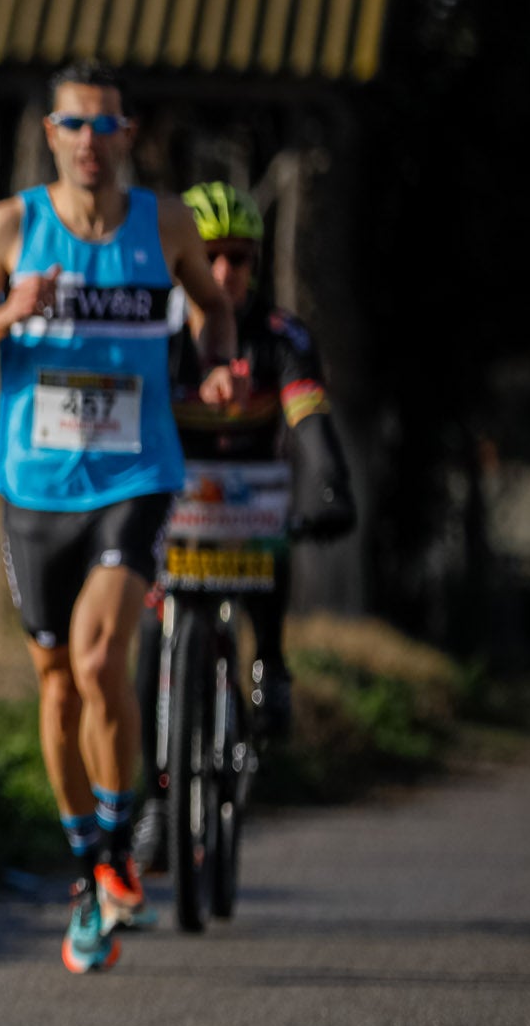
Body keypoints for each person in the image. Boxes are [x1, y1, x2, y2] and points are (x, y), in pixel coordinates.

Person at [0, 65, 241, 974]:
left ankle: (120, 845)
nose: (92, 143)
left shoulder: (166, 223)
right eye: (76, 126)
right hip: (33, 488)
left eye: (108, 128)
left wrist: (215, 363)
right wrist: (7, 311)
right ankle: (93, 863)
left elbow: (215, 310)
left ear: (128, 136)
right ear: (51, 133)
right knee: (58, 684)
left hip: (136, 473)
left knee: (104, 657)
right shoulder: (11, 227)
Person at [131, 181, 359, 871]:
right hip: (172, 505)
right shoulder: (158, 333)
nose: (225, 274)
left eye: (240, 259)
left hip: (248, 506)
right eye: (210, 257)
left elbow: (310, 422)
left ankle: (273, 663)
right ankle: (157, 801)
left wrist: (330, 487)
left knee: (272, 535)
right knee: (148, 641)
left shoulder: (280, 338)